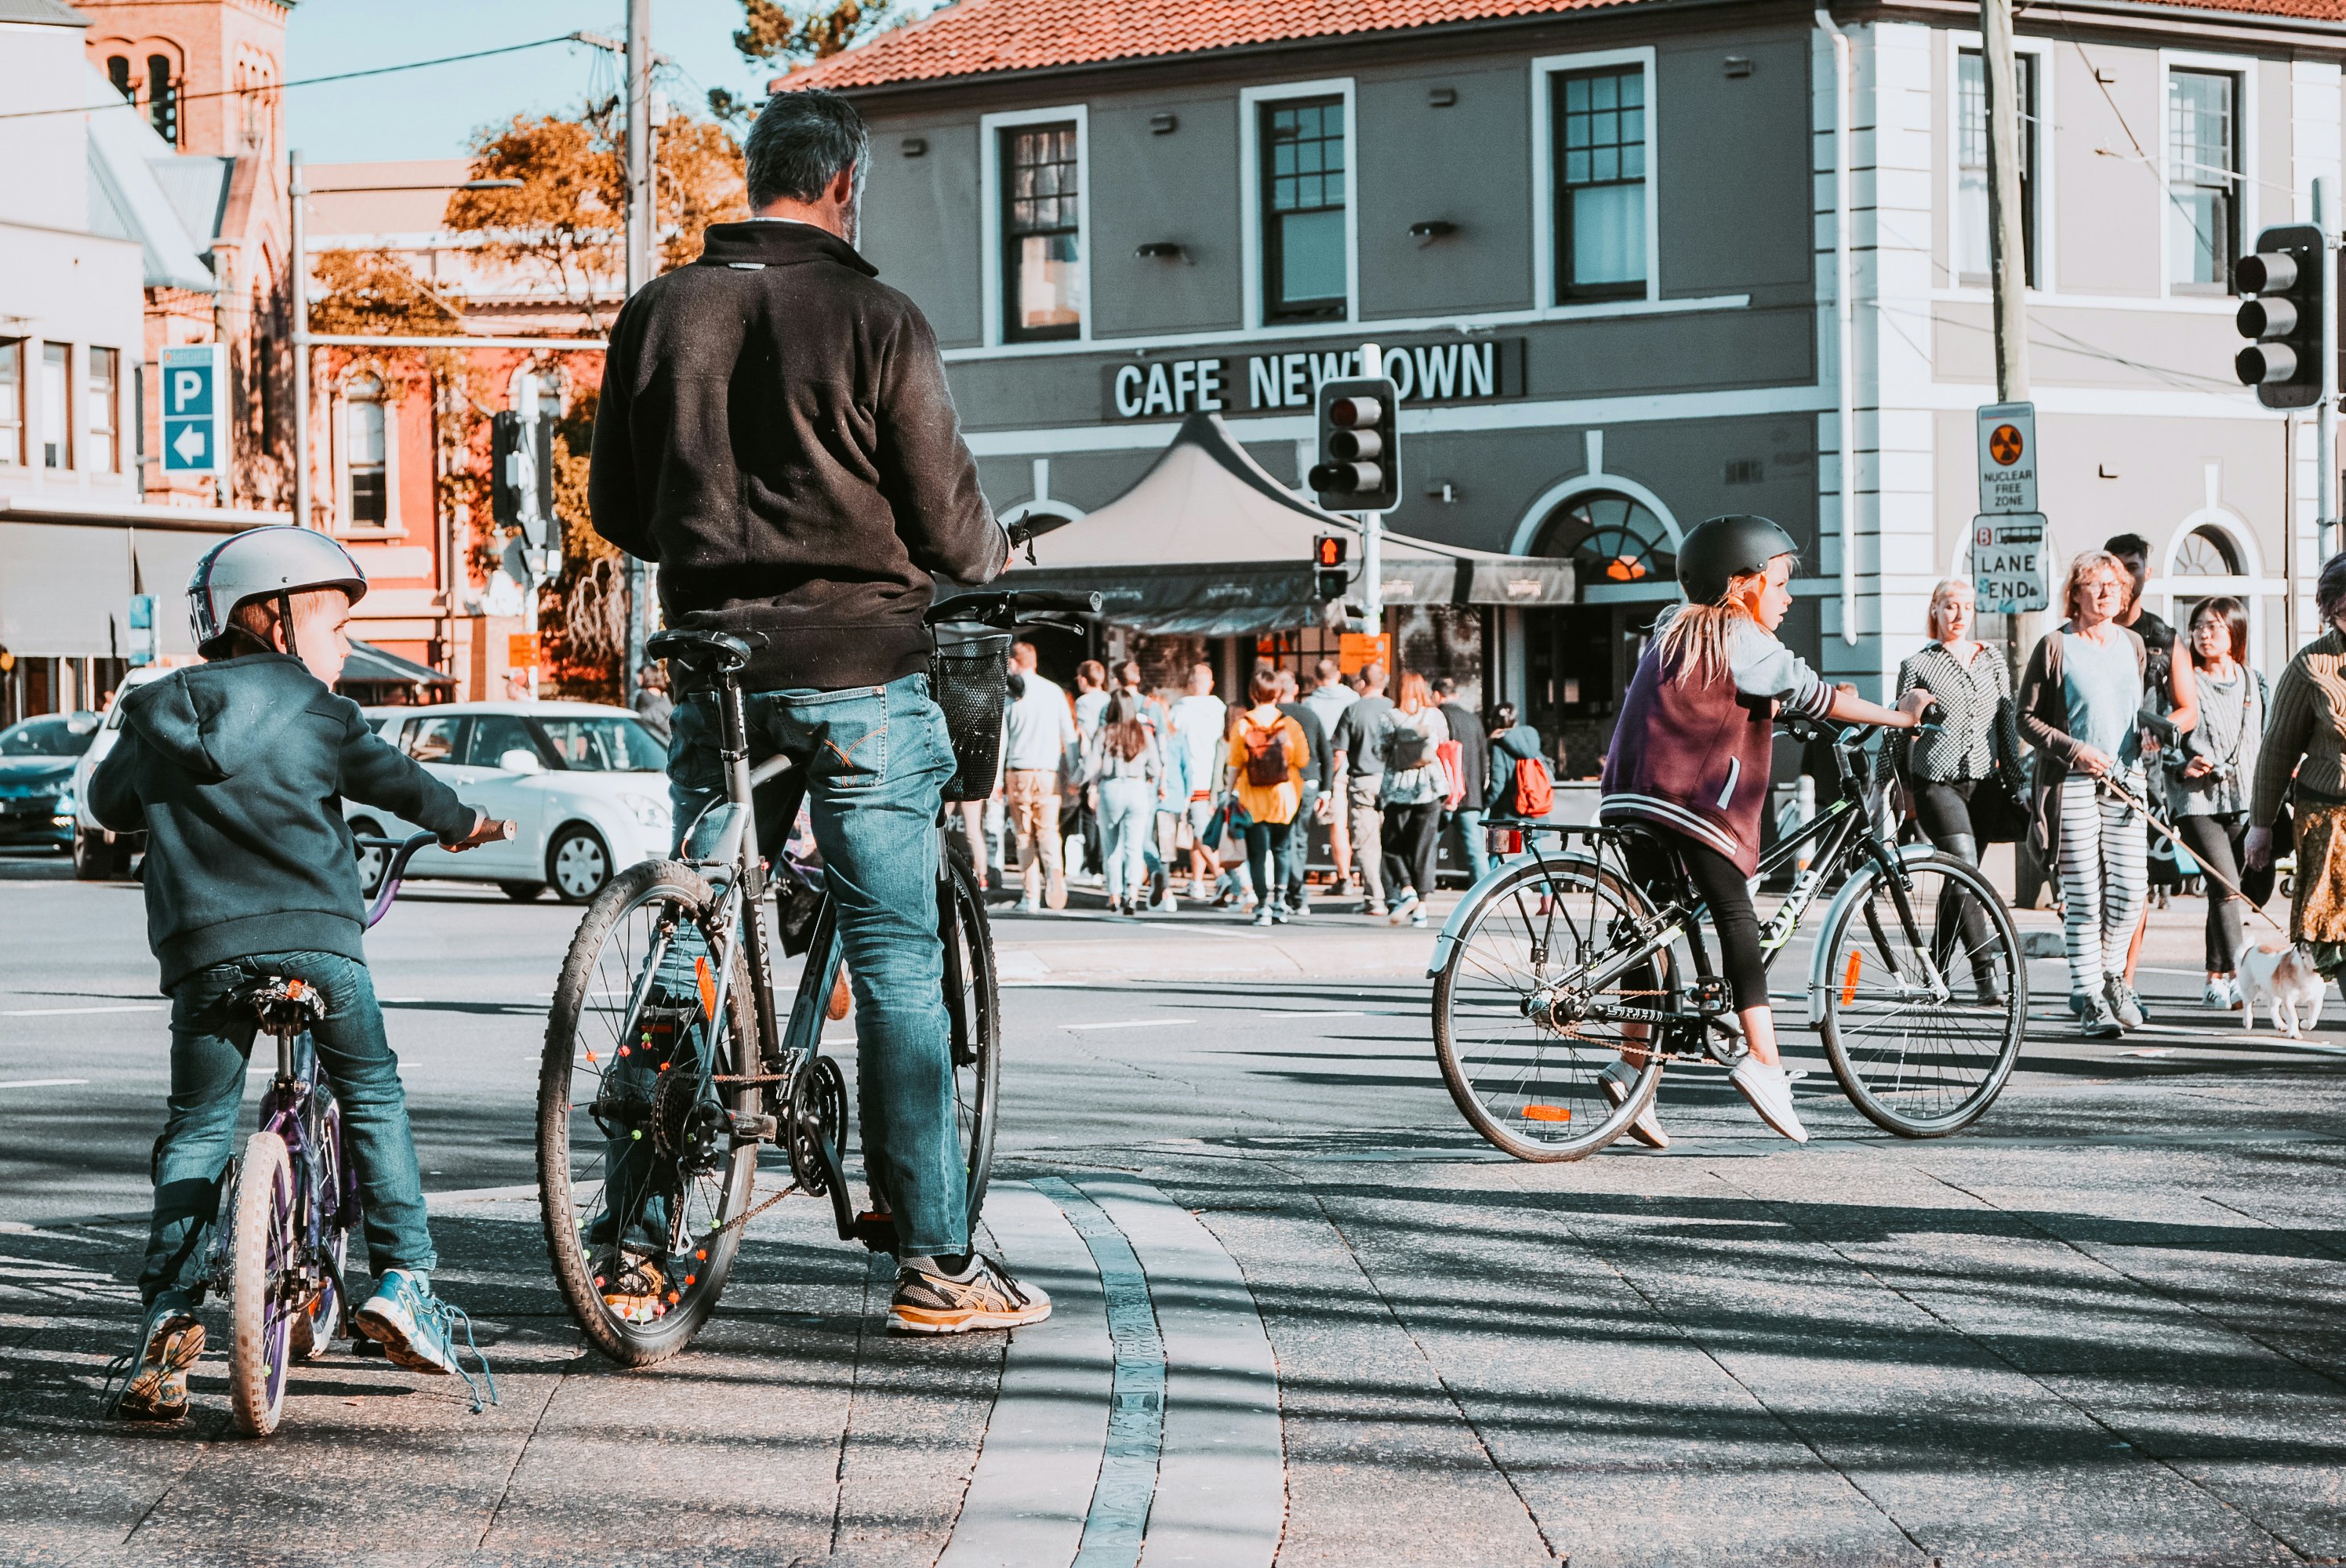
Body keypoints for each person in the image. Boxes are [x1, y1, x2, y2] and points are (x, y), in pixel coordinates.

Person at [588, 89, 1048, 1334]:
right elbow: (953, 528)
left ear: (753, 179)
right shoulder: (877, 319)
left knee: (693, 929)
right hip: (857, 666)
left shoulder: (659, 312)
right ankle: (934, 1264)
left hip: (710, 663)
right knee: (897, 959)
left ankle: (628, 1236)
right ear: (846, 183)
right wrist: (995, 553)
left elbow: (619, 514)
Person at [89, 528, 509, 1420]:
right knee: (372, 1090)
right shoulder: (321, 713)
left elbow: (107, 803)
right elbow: (405, 787)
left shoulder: (162, 706)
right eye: (333, 623)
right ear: (272, 619)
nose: (346, 644)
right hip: (321, 939)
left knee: (199, 1124)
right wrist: (464, 821)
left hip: (203, 951)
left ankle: (166, 1312)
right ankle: (406, 1276)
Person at [1601, 515, 1931, 1145]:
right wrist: (1901, 715)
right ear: (1742, 583)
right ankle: (1765, 1061)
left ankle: (1634, 1069)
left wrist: (1777, 706)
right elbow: (1816, 694)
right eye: (1779, 582)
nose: (1787, 597)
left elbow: (1730, 695)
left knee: (1648, 928)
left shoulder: (1677, 631)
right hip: (1691, 802)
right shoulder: (1740, 635)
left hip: (1633, 796)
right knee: (1736, 915)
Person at [2017, 550, 2181, 1039]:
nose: (2109, 591)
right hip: (2072, 781)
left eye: (2116, 584)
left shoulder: (2132, 643)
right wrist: (2074, 750)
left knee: (2132, 892)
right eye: (2097, 584)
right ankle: (2088, 995)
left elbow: (2134, 713)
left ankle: (2110, 976)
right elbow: (2025, 719)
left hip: (2127, 780)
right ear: (2076, 593)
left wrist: (2152, 734)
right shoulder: (2054, 646)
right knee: (2085, 896)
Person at [2105, 532, 2200, 989]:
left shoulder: (2163, 637)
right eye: (2117, 566)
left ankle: (2124, 980)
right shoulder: (2081, 628)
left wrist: (2162, 732)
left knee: (2135, 886)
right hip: (2089, 771)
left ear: (2147, 572)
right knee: (2093, 887)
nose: (2125, 576)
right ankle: (2094, 979)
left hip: (2146, 776)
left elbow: (2188, 708)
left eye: (2134, 566)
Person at [2248, 553, 2346, 978]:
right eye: (2343, 611)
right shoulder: (2310, 665)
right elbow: (2277, 750)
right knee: (2335, 934)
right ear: (2330, 610)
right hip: (2329, 822)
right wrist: (2261, 824)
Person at [2166, 597, 2265, 1010]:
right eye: (2199, 626)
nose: (2205, 634)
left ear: (2236, 633)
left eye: (2216, 627)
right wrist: (2181, 763)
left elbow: (2270, 736)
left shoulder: (2253, 680)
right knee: (2225, 885)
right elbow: (2160, 736)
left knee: (2243, 890)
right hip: (2196, 802)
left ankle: (2213, 976)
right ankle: (2239, 978)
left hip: (2246, 800)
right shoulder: (2183, 679)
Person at [1893, 579, 2011, 870]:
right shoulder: (1917, 664)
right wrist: (1889, 784)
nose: (1960, 616)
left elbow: (2006, 722)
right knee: (1964, 865)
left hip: (1986, 784)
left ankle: (1950, 920)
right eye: (1951, 607)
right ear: (1935, 609)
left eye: (1967, 608)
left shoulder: (1992, 659)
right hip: (1937, 783)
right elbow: (1898, 727)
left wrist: (2017, 782)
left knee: (1966, 878)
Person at [1223, 670, 1309, 925]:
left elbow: (1234, 765)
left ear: (1252, 693)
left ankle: (1263, 906)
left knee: (1258, 854)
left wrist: (1228, 794)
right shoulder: (1290, 724)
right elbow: (1303, 759)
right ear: (1278, 693)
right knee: (1282, 850)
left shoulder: (1243, 725)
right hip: (1285, 797)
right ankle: (1280, 902)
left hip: (1253, 800)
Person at [1000, 640, 1076, 913]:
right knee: (1048, 830)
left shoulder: (1011, 694)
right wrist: (1075, 771)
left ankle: (1030, 897)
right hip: (1048, 771)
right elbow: (1070, 735)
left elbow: (1002, 739)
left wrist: (997, 780)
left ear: (1014, 663)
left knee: (1023, 835)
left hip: (1019, 770)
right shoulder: (1054, 691)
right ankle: (1054, 869)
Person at [1376, 673, 1451, 927]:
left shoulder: (1390, 717)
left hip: (1398, 790)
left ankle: (1406, 888)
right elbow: (1443, 745)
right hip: (1430, 789)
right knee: (1424, 847)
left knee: (1391, 844)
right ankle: (1421, 906)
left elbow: (1380, 750)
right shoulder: (1435, 716)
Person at [1084, 689, 1162, 916]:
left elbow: (1092, 765)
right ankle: (1133, 894)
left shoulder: (1104, 733)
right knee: (1134, 847)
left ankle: (1114, 895)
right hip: (1137, 788)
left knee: (1111, 847)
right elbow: (1155, 768)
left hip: (1111, 788)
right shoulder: (1143, 734)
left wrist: (1087, 784)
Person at [1331, 662, 1395, 916]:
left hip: (1363, 782)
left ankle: (1375, 898)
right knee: (1391, 841)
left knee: (1367, 843)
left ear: (1362, 682)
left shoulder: (1353, 711)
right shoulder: (1395, 710)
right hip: (1393, 782)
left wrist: (1331, 781)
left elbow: (1339, 752)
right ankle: (1397, 894)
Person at [1166, 661, 1228, 899]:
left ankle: (1222, 876)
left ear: (1189, 684)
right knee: (1198, 829)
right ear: (1211, 684)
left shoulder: (1179, 711)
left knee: (1200, 832)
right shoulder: (1220, 710)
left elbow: (1170, 742)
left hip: (1190, 779)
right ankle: (1197, 882)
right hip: (1215, 779)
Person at [1273, 667, 1331, 914]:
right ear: (1295, 689)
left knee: (1280, 841)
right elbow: (1326, 754)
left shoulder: (1272, 716)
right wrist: (1326, 790)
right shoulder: (1310, 715)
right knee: (1299, 839)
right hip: (1309, 781)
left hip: (1280, 783)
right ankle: (1299, 896)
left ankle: (1284, 892)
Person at [1302, 658, 1358, 891]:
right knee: (1350, 826)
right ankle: (1356, 876)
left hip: (1327, 770)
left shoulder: (1309, 704)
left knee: (1335, 825)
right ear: (1339, 675)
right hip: (1355, 768)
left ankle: (1344, 877)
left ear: (1317, 678)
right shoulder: (1354, 699)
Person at [1434, 675, 1491, 884]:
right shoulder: (1473, 720)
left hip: (1442, 794)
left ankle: (1418, 893)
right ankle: (1484, 894)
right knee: (1476, 851)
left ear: (1436, 695)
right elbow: (1484, 759)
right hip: (1470, 795)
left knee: (1428, 846)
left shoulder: (1437, 717)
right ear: (1456, 696)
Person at [630, 662, 674, 745]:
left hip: (651, 739)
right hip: (668, 738)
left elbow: (641, 718)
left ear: (647, 676)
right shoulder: (665, 695)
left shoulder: (642, 695)